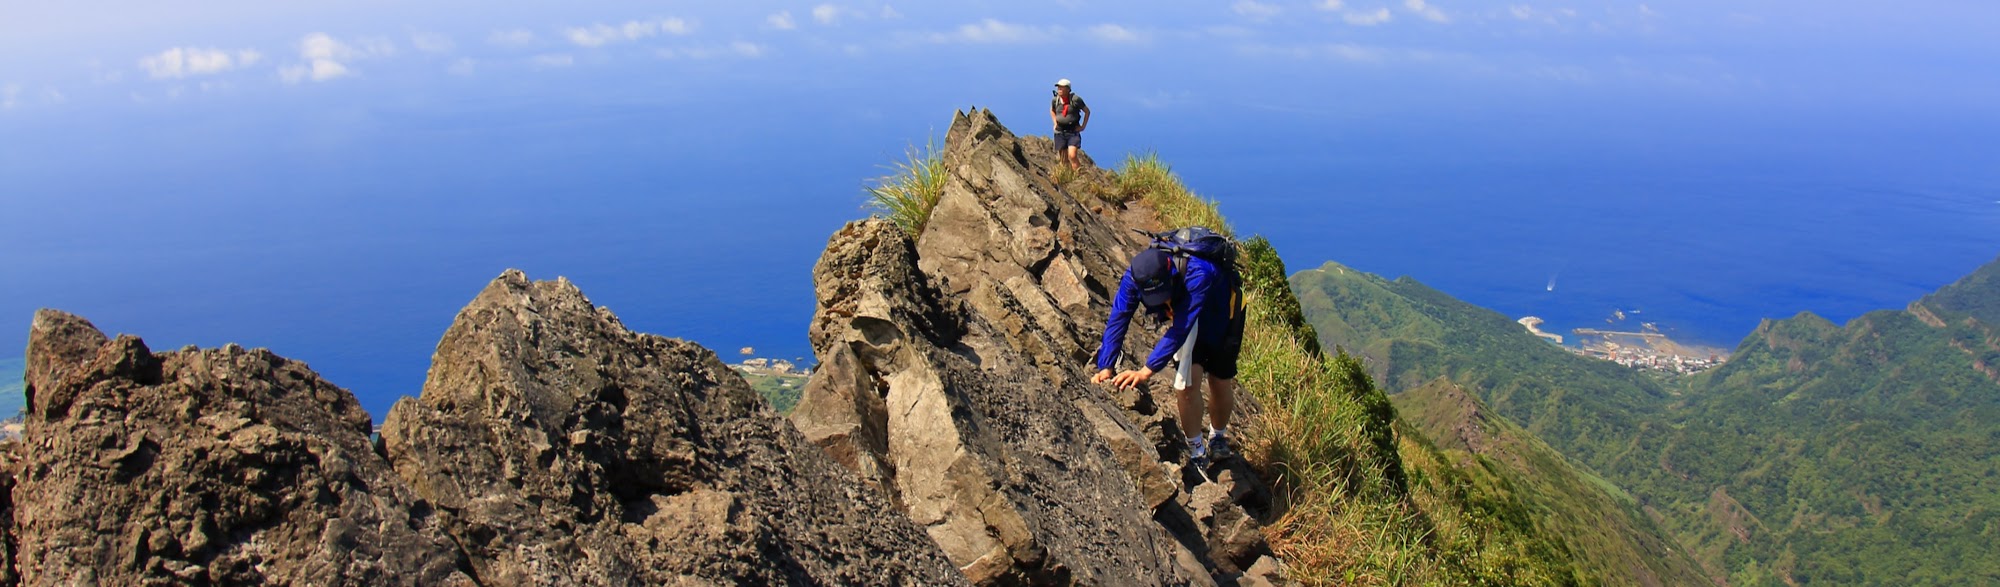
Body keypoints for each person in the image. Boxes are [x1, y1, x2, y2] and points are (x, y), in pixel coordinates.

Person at [1091, 239, 1246, 470]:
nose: (1161, 301)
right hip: (1186, 316)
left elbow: (1181, 329)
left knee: (1219, 380)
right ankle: (1197, 451)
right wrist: (1106, 366)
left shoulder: (1199, 272)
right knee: (1186, 384)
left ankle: (1218, 438)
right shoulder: (1134, 278)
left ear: (1171, 274)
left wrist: (1146, 371)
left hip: (1224, 313)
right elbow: (1119, 317)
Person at [1049, 78, 1091, 171]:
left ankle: (1079, 177)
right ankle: (1068, 177)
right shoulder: (1055, 100)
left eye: (1061, 87)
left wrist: (1083, 126)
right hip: (1060, 131)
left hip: (1073, 131)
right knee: (1063, 160)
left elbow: (1087, 111)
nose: (1059, 89)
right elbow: (1052, 110)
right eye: (1058, 87)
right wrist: (1055, 123)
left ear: (1068, 89)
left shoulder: (1075, 99)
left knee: (1072, 156)